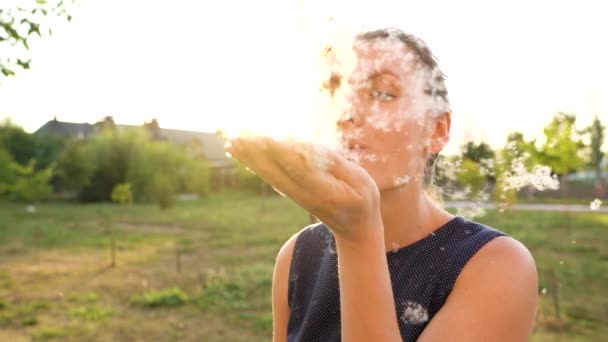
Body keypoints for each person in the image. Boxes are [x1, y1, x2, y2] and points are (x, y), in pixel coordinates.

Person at [226, 28, 538, 342]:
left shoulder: (497, 266)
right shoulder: (298, 253)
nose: (347, 113)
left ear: (437, 129)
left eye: (383, 93)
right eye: (335, 92)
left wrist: (358, 238)